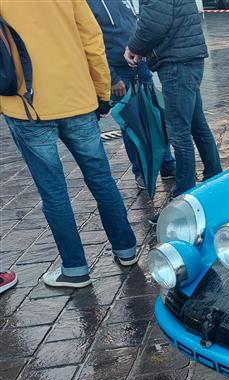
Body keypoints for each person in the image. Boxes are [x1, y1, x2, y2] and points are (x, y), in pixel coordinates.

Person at [0, 0, 139, 288]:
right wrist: (101, 91)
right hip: (77, 96)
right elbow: (92, 39)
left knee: (53, 192)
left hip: (27, 105)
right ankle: (126, 248)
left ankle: (75, 268)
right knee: (101, 178)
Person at [124, 0, 222, 217]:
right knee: (197, 125)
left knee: (179, 133)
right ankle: (215, 178)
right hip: (186, 57)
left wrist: (134, 47)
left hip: (177, 63)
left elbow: (154, 22)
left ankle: (184, 198)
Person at [86, 0, 177, 192]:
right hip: (118, 72)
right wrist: (111, 77)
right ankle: (141, 172)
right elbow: (91, 44)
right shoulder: (88, 3)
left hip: (139, 64)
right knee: (131, 124)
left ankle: (166, 163)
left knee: (155, 116)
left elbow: (136, 25)